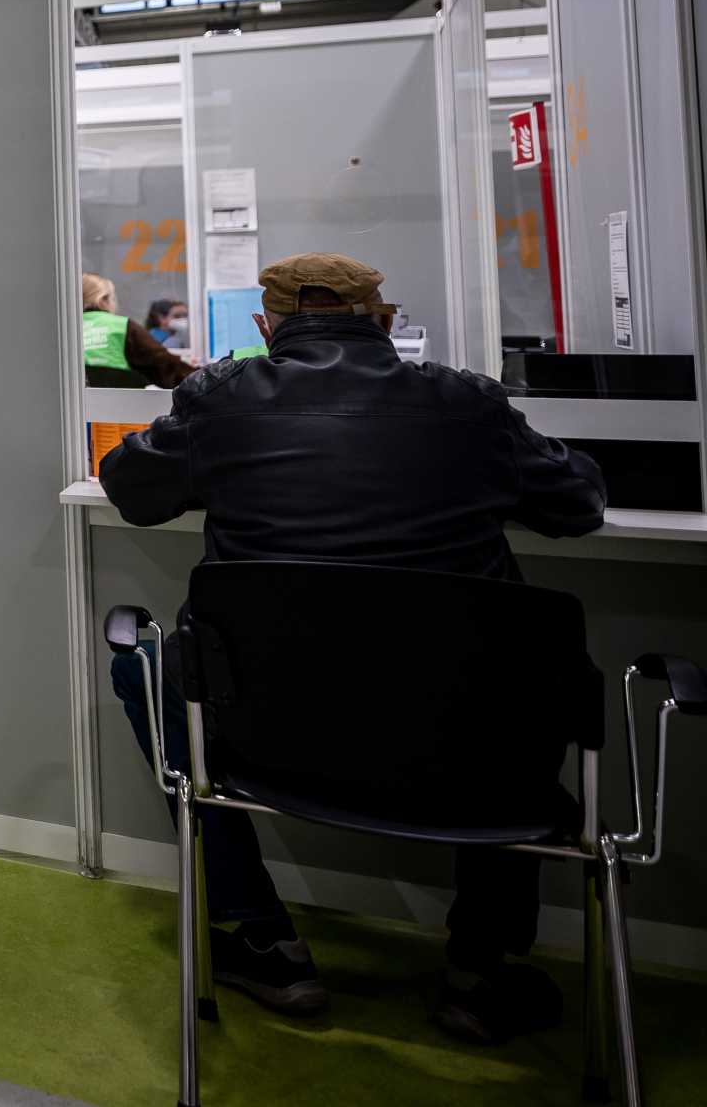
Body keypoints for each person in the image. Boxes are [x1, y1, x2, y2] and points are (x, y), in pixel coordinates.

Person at [99, 252, 606, 1043]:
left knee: (146, 659)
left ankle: (261, 932)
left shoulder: (223, 399)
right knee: (518, 675)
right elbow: (579, 503)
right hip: (468, 750)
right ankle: (480, 964)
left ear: (266, 328)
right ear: (385, 320)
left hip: (268, 739)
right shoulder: (468, 402)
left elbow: (129, 486)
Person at [82, 272, 190, 389]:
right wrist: (201, 378)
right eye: (113, 298)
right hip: (121, 402)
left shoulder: (69, 329)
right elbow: (164, 365)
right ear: (103, 300)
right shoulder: (120, 326)